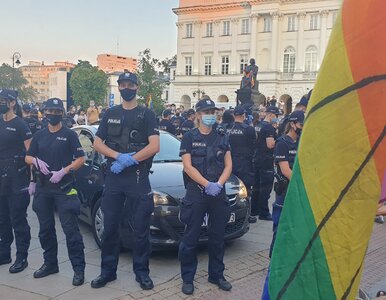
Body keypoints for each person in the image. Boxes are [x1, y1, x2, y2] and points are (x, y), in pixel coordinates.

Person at [91, 71, 160, 290]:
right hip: (114, 177)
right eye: (122, 84)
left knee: (140, 229)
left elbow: (154, 146)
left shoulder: (147, 114)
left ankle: (142, 272)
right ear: (118, 87)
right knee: (110, 228)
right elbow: (97, 143)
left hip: (138, 178)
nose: (126, 87)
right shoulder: (110, 112)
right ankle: (107, 272)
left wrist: (131, 160)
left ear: (137, 87)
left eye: (130, 84)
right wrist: (117, 157)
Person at [25, 98, 86, 286]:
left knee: (71, 232)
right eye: (50, 111)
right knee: (45, 230)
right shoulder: (39, 135)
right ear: (45, 112)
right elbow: (28, 156)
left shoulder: (69, 135)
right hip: (43, 188)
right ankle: (50, 263)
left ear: (62, 113)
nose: (53, 114)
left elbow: (81, 158)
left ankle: (78, 269)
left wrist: (64, 171)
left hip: (64, 188)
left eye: (57, 111)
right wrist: (34, 166)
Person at [179, 98, 233, 295]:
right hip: (197, 191)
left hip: (217, 191)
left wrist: (218, 184)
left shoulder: (222, 135)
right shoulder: (189, 136)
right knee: (191, 238)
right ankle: (187, 278)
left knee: (218, 237)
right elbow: (187, 166)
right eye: (207, 112)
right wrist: (206, 184)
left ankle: (216, 274)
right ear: (199, 114)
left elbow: (228, 165)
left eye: (213, 111)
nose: (211, 115)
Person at [0, 89, 32, 274]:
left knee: (18, 218)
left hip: (17, 176)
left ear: (12, 103)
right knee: (3, 219)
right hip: (1, 175)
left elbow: (30, 153)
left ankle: (22, 257)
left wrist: (33, 180)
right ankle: (4, 253)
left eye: (4, 100)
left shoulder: (20, 124)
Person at [270, 110, 304, 257]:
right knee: (280, 226)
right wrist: (303, 184)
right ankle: (275, 257)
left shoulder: (301, 142)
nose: (303, 127)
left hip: (297, 190)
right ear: (292, 124)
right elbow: (285, 170)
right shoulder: (282, 143)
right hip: (285, 191)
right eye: (302, 124)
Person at [228, 106, 257, 223]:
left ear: (234, 115)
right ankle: (246, 214)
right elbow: (253, 145)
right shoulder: (249, 129)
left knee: (231, 188)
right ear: (244, 115)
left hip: (230, 162)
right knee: (246, 189)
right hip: (245, 162)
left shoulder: (227, 128)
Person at [251, 106, 280, 221]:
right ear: (271, 115)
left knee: (257, 186)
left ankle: (254, 209)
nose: (276, 118)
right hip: (266, 160)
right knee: (266, 187)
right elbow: (270, 145)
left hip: (257, 158)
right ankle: (264, 212)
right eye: (276, 115)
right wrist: (279, 140)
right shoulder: (269, 128)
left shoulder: (258, 125)